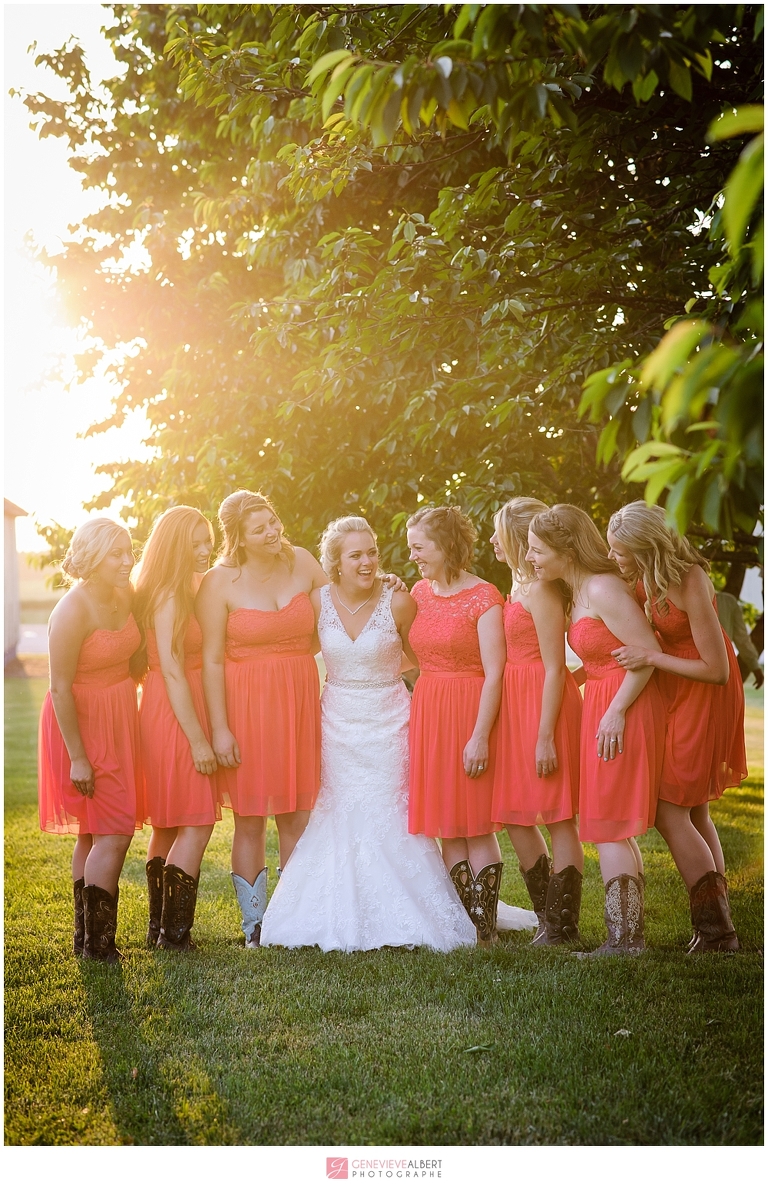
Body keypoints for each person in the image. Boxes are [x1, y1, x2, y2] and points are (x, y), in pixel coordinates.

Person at [260, 517, 477, 951]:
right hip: (336, 722)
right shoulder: (317, 602)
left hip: (390, 721)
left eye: (372, 552)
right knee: (338, 809)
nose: (367, 562)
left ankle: (412, 911)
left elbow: (424, 660)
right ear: (335, 563)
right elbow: (291, 651)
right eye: (355, 555)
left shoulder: (398, 601)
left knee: (390, 810)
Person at [527, 505, 666, 956]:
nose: (532, 559)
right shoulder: (579, 590)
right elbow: (604, 654)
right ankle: (628, 935)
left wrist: (616, 711)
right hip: (605, 702)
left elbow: (647, 653)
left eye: (537, 550)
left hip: (624, 707)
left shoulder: (604, 588)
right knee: (609, 823)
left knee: (606, 824)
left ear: (566, 549)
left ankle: (625, 940)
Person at [607, 501, 746, 952]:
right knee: (695, 809)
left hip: (703, 692)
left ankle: (717, 931)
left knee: (671, 808)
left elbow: (718, 669)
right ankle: (717, 930)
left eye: (619, 551)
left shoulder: (691, 580)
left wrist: (650, 658)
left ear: (646, 547)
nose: (614, 558)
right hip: (676, 687)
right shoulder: (647, 578)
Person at [196, 490, 324, 947]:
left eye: (273, 521)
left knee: (297, 814)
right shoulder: (219, 583)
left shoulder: (305, 563)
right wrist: (221, 728)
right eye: (259, 528)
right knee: (250, 818)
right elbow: (211, 659)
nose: (272, 532)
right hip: (245, 706)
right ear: (239, 539)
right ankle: (254, 926)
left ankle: (295, 919)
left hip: (299, 698)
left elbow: (342, 614)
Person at [38, 519, 141, 962]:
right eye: (116, 554)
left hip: (119, 716)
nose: (126, 561)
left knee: (93, 832)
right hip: (80, 723)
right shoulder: (71, 610)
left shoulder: (126, 594)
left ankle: (86, 941)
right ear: (92, 558)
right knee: (115, 831)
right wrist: (78, 757)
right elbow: (59, 687)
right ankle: (100, 946)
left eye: (129, 551)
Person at [406, 505, 507, 946]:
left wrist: (480, 735)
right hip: (428, 708)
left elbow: (496, 671)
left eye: (419, 546)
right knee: (448, 821)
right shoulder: (418, 593)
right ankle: (465, 926)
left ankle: (486, 931)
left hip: (470, 708)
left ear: (445, 546)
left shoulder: (485, 596)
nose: (412, 556)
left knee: (476, 821)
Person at [490, 498, 584, 946]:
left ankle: (561, 927)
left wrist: (545, 736)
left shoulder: (541, 590)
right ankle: (547, 915)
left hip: (543, 706)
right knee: (514, 815)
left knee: (557, 815)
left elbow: (554, 666)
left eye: (496, 533)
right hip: (516, 705)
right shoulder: (518, 585)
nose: (491, 541)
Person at [133, 506, 219, 952]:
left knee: (167, 824)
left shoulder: (189, 585)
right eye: (196, 544)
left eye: (208, 541)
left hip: (179, 705)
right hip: (174, 710)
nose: (206, 550)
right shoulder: (168, 594)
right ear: (174, 547)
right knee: (197, 820)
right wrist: (199, 740)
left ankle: (158, 929)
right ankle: (174, 934)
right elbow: (170, 670)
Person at [716, 590, 763, 688]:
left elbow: (742, 638)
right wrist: (755, 666)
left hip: (720, 669)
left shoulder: (728, 601)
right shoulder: (728, 601)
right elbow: (742, 639)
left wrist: (754, 665)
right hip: (717, 668)